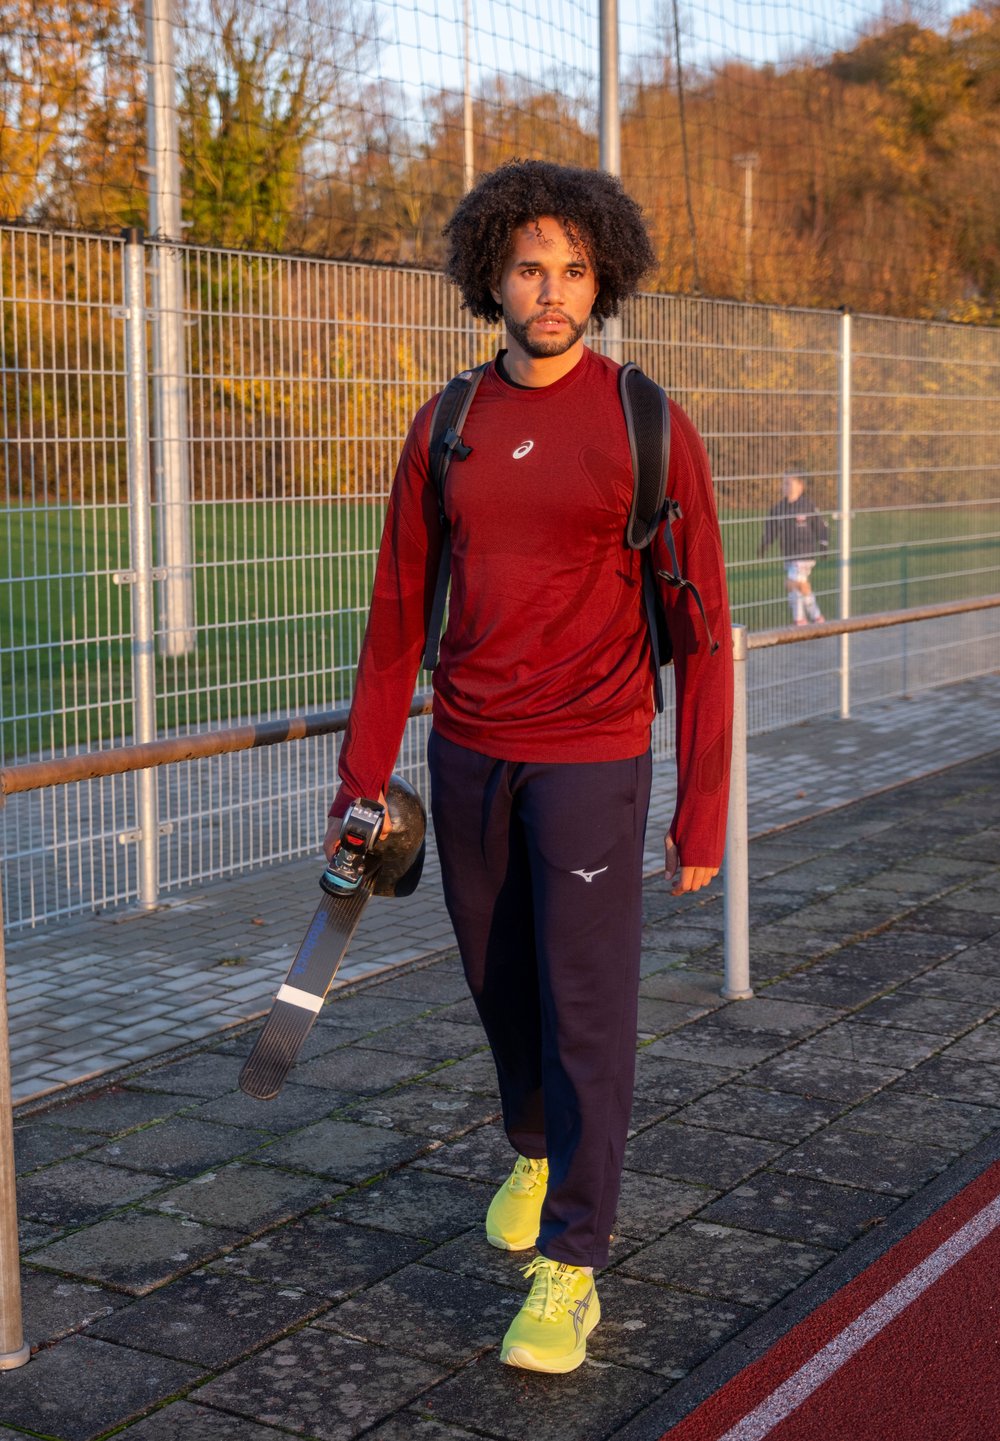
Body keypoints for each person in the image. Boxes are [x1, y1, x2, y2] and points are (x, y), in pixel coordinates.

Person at [326, 159, 733, 1374]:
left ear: (600, 279)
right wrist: (361, 769)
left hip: (594, 755)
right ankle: (535, 1140)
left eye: (571, 271)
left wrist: (700, 809)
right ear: (490, 276)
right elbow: (400, 603)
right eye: (527, 269)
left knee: (588, 1013)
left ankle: (571, 1266)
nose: (549, 292)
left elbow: (704, 626)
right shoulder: (445, 422)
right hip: (467, 753)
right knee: (499, 983)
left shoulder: (646, 422)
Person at [758, 473, 829, 624]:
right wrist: (764, 544)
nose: (784, 487)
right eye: (783, 484)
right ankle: (814, 617)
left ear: (800, 486)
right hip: (789, 554)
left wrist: (823, 543)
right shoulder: (779, 508)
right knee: (796, 587)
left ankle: (801, 619)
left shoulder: (807, 506)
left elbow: (821, 526)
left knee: (792, 582)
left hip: (805, 554)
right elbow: (771, 529)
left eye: (788, 484)